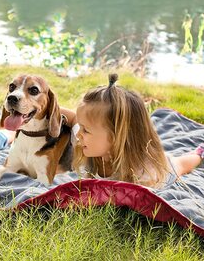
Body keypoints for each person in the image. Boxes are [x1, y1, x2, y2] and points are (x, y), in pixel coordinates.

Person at [73, 73, 203, 188]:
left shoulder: (145, 177)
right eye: (80, 126)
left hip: (163, 170)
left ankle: (199, 153)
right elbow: (70, 119)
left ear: (115, 136)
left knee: (181, 164)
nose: (78, 134)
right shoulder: (88, 144)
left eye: (85, 130)